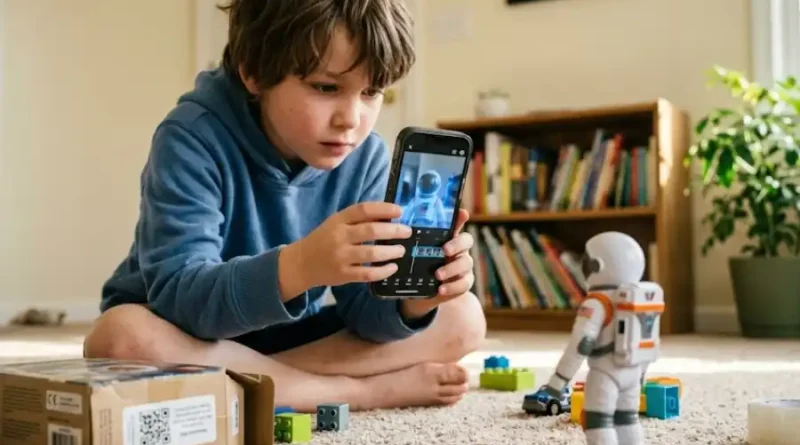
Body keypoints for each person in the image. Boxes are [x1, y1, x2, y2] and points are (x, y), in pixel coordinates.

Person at [82, 0, 487, 414]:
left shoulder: (364, 158)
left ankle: (253, 383)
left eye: (371, 92)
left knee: (463, 316)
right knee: (117, 338)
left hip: (287, 338)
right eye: (326, 88)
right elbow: (181, 298)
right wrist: (300, 266)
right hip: (187, 331)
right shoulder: (190, 137)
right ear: (253, 72)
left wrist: (413, 299)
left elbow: (367, 318)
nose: (352, 118)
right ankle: (356, 393)